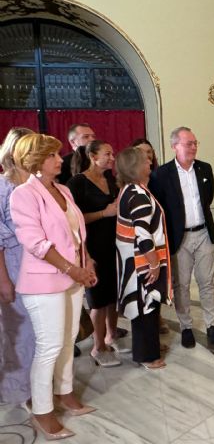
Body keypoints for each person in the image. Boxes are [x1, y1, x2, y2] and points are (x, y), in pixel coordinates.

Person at [10, 133, 98, 440]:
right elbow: (36, 243)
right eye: (52, 156)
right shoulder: (23, 194)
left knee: (68, 338)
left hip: (72, 277)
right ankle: (42, 411)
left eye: (58, 155)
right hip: (43, 282)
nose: (60, 159)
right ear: (35, 160)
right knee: (49, 347)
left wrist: (86, 265)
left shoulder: (62, 189)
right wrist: (72, 269)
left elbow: (76, 235)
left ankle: (65, 392)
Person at [149, 127, 214, 348]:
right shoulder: (161, 175)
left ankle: (212, 324)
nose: (193, 147)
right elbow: (159, 207)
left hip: (202, 233)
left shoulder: (205, 169)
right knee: (181, 285)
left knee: (207, 282)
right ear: (175, 146)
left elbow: (207, 199)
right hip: (179, 237)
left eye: (195, 143)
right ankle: (186, 327)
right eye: (188, 143)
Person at [67, 141, 126, 367]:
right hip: (92, 248)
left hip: (114, 245)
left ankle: (111, 335)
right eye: (107, 154)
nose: (112, 158)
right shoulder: (77, 183)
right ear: (92, 156)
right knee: (98, 300)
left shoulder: (110, 179)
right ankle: (97, 346)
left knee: (113, 297)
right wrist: (104, 212)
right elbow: (74, 220)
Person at [115, 147, 170, 370]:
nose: (150, 164)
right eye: (146, 161)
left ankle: (147, 349)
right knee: (146, 308)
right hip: (142, 262)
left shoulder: (131, 189)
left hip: (135, 261)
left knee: (146, 309)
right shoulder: (137, 194)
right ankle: (148, 356)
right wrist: (154, 262)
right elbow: (143, 233)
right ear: (135, 167)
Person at [0, 127, 36, 407]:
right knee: (20, 332)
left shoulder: (36, 182)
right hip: (12, 262)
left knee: (40, 331)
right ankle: (22, 394)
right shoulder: (3, 186)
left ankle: (42, 387)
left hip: (38, 263)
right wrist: (3, 280)